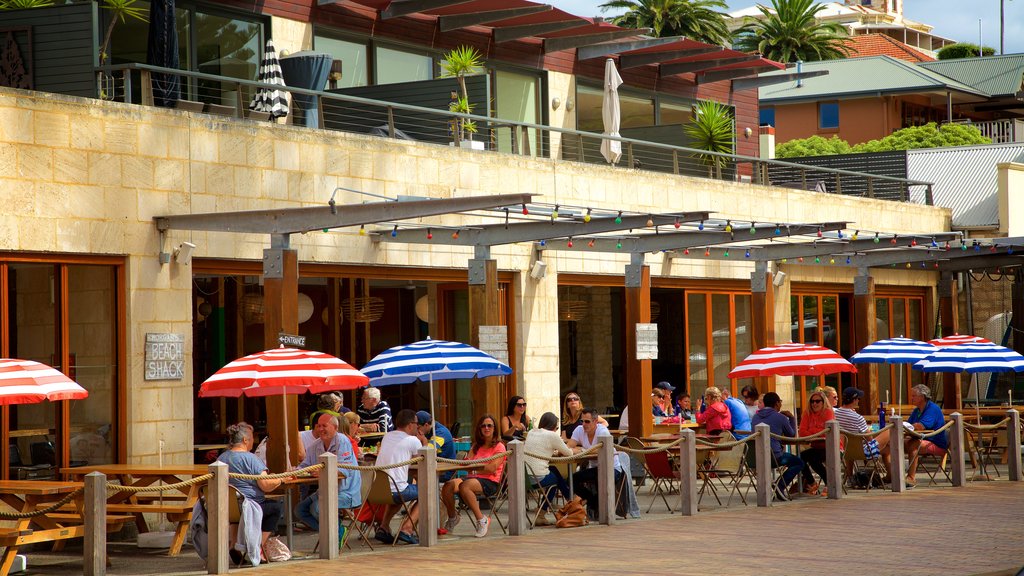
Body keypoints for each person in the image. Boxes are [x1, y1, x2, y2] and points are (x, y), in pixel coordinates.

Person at [217, 422, 284, 548]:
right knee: (275, 508)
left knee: (236, 513)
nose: (254, 441)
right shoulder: (251, 458)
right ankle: (258, 546)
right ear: (245, 440)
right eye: (252, 438)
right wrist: (281, 479)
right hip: (249, 506)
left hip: (228, 507)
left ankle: (234, 544)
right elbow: (265, 485)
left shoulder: (221, 458)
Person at [441, 414, 507, 538]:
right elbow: (468, 465)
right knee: (447, 486)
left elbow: (492, 468)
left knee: (465, 486)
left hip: (490, 482)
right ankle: (452, 517)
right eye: (483, 426)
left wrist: (474, 468)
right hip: (472, 479)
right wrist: (470, 464)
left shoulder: (500, 446)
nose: (486, 428)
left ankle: (482, 520)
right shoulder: (476, 446)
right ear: (479, 429)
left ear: (494, 428)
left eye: (489, 426)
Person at [294, 414, 362, 531]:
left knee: (318, 507)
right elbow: (305, 466)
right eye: (318, 426)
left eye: (324, 426)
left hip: (347, 492)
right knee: (299, 510)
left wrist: (324, 472)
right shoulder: (315, 445)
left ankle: (336, 534)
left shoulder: (342, 440)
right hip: (324, 491)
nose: (321, 429)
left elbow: (345, 471)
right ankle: (332, 532)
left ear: (335, 427)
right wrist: (293, 472)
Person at [876, 384, 947, 488]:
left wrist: (904, 426)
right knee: (889, 444)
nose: (911, 398)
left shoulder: (933, 409)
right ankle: (891, 475)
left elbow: (920, 426)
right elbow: (909, 426)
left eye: (914, 396)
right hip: (918, 438)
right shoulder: (917, 410)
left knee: (913, 444)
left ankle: (911, 477)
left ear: (922, 397)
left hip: (935, 442)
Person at [375, 409, 426, 545]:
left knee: (399, 491)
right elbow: (425, 461)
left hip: (377, 490)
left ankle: (384, 527)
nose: (418, 427)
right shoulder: (412, 440)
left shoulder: (387, 436)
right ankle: (407, 528)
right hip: (396, 490)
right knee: (428, 492)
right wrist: (423, 441)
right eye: (417, 424)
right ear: (410, 425)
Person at [567, 408, 626, 518]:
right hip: (595, 468)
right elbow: (569, 446)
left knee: (601, 479)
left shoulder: (602, 431)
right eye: (582, 421)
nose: (584, 424)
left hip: (611, 468)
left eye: (587, 421)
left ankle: (600, 512)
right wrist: (578, 450)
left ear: (595, 422)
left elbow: (600, 449)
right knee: (572, 479)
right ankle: (592, 499)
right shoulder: (579, 430)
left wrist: (581, 450)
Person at [751, 392, 803, 501]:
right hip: (774, 457)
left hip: (756, 457)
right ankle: (780, 485)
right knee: (798, 462)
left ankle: (776, 487)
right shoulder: (780, 417)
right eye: (780, 402)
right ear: (777, 403)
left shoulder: (755, 417)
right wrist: (792, 418)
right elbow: (791, 434)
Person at [523, 412, 573, 526]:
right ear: (553, 426)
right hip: (536, 479)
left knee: (553, 469)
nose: (556, 429)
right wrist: (579, 450)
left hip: (524, 477)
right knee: (555, 482)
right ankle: (542, 513)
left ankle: (570, 498)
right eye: (557, 427)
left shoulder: (531, 432)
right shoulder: (552, 435)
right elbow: (569, 453)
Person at [834, 387, 882, 479]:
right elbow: (870, 438)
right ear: (854, 400)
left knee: (851, 445)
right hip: (862, 453)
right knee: (887, 434)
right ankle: (890, 476)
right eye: (858, 399)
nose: (859, 401)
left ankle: (849, 476)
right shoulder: (857, 418)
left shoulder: (835, 414)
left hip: (844, 450)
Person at [797, 389, 833, 496]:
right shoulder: (807, 413)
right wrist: (817, 430)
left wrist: (811, 431)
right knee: (799, 458)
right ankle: (812, 483)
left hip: (830, 446)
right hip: (816, 446)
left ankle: (829, 483)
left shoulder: (828, 412)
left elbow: (826, 432)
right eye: (812, 401)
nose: (814, 404)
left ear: (823, 402)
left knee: (814, 460)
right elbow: (802, 432)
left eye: (817, 401)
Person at [416, 411, 457, 482]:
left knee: (416, 477)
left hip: (444, 471)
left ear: (426, 425)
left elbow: (428, 452)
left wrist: (423, 438)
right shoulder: (428, 430)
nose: (417, 430)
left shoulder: (441, 432)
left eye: (418, 428)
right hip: (432, 467)